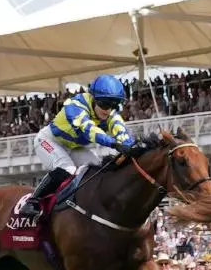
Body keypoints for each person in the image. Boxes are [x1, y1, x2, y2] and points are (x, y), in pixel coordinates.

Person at [18, 74, 141, 219]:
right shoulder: (76, 105)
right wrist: (114, 144)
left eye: (114, 104)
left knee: (98, 170)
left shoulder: (111, 115)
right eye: (105, 103)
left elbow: (122, 132)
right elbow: (89, 130)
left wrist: (130, 146)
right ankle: (33, 202)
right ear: (94, 98)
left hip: (74, 147)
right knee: (67, 169)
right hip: (50, 140)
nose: (108, 110)